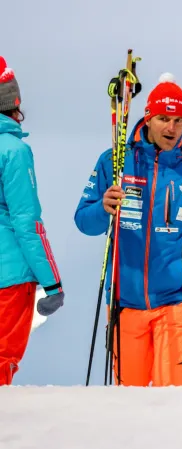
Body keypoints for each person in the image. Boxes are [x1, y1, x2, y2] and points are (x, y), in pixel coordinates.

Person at [74, 73, 182, 387]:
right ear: (148, 118)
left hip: (177, 303)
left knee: (172, 397)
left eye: (179, 120)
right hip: (126, 301)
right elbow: (83, 221)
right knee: (129, 399)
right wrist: (102, 208)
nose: (171, 128)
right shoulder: (115, 162)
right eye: (163, 119)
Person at [0, 56, 65, 386]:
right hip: (9, 281)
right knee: (2, 360)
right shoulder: (13, 151)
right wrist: (52, 283)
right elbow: (27, 224)